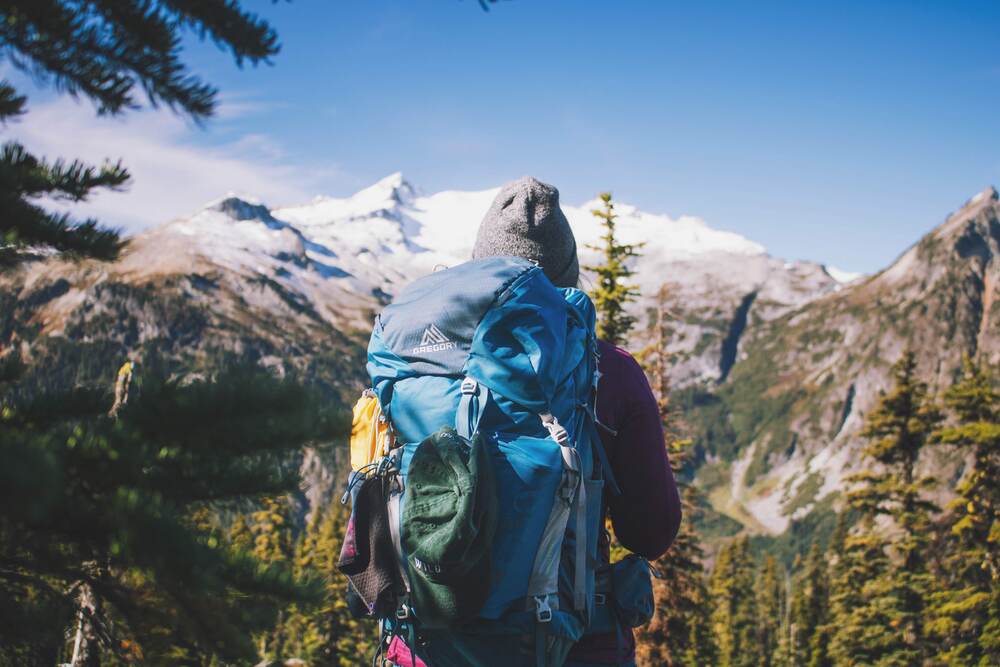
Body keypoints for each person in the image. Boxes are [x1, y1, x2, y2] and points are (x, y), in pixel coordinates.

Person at [389, 177, 682, 667]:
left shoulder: (416, 359)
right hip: (568, 645)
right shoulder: (609, 372)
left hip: (424, 644)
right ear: (568, 280)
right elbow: (651, 533)